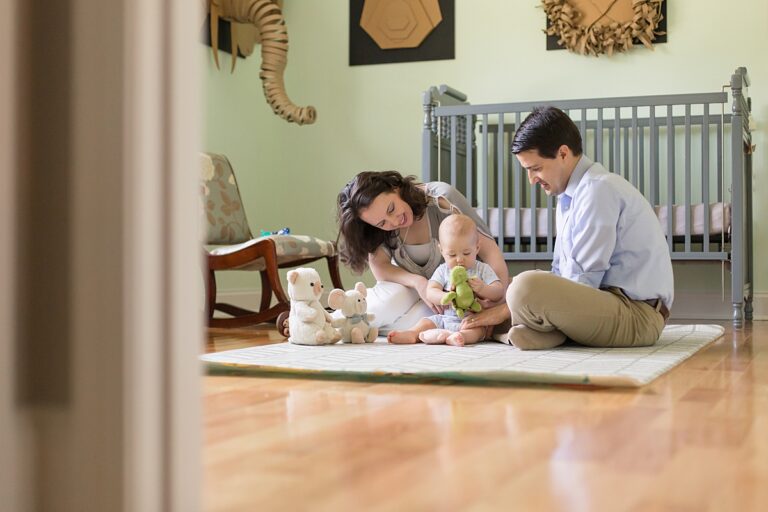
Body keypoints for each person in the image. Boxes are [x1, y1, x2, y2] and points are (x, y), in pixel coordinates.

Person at [461, 106, 674, 350]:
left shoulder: (597, 189)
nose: (532, 181)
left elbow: (581, 282)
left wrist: (507, 307)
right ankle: (528, 333)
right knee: (515, 289)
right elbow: (563, 275)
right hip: (603, 307)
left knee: (523, 288)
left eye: (536, 168)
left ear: (563, 153)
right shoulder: (569, 198)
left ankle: (519, 327)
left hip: (636, 316)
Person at [335, 171, 509, 334]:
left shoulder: (441, 199)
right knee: (383, 307)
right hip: (412, 288)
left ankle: (366, 326)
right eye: (382, 223)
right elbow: (381, 268)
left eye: (391, 209)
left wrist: (497, 300)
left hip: (448, 295)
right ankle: (333, 322)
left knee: (443, 321)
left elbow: (489, 250)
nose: (394, 220)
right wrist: (418, 282)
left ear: (395, 188)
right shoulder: (375, 227)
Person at [386, 214, 505, 346]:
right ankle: (413, 333)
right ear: (441, 251)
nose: (460, 259)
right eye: (452, 254)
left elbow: (499, 291)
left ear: (477, 248)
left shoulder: (482, 269)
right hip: (444, 318)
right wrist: (445, 296)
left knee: (477, 331)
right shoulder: (443, 270)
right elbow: (430, 291)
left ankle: (460, 337)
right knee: (426, 322)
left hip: (472, 319)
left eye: (466, 253)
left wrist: (484, 289)